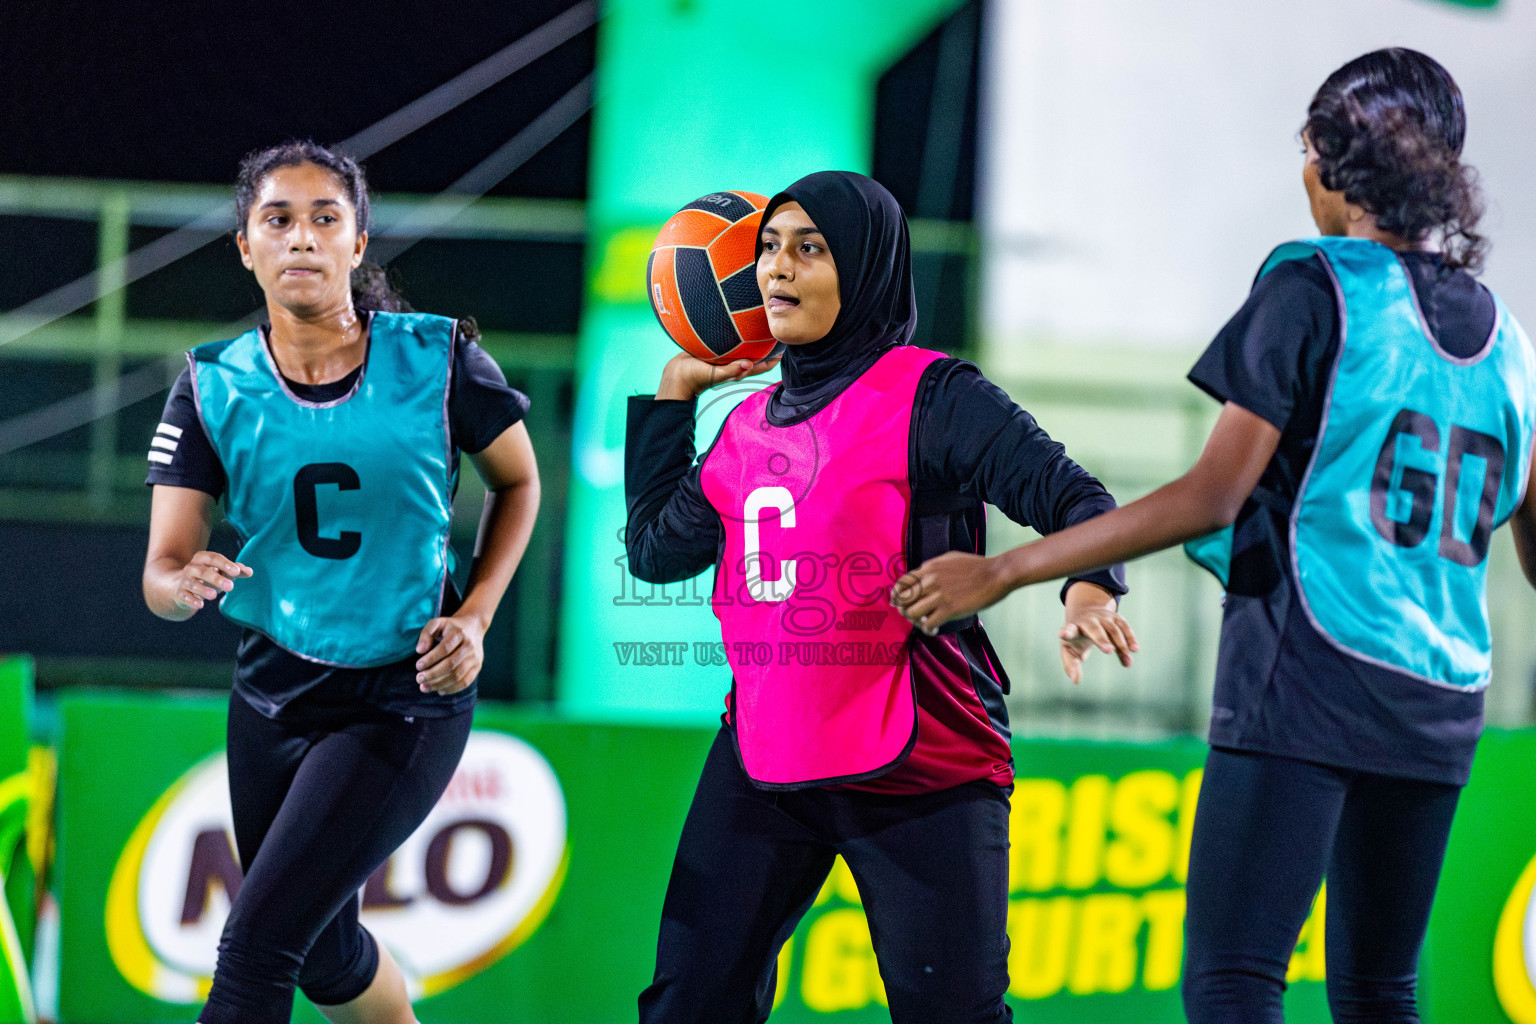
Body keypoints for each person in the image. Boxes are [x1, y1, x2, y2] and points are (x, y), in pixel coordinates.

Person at [893, 49, 1536, 1024]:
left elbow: (1211, 494)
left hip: (1314, 671)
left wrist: (1010, 566)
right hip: (1441, 696)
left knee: (1237, 981)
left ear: (1324, 159)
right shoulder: (1508, 338)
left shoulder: (1314, 287)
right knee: (1380, 991)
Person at [625, 170, 1136, 1023]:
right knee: (688, 1002)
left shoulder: (934, 395)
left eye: (809, 248)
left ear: (863, 266)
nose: (778, 269)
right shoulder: (745, 429)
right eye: (769, 249)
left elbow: (1080, 501)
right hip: (765, 756)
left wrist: (1091, 586)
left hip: (920, 759)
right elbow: (652, 551)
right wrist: (676, 396)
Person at [141, 140, 540, 1024]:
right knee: (322, 951)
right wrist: (180, 582)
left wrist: (474, 617)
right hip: (273, 691)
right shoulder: (212, 386)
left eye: (327, 219)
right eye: (277, 220)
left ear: (359, 245)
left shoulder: (436, 361)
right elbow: (161, 571)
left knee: (255, 946)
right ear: (245, 246)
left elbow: (520, 482)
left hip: (400, 694)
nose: (302, 238)